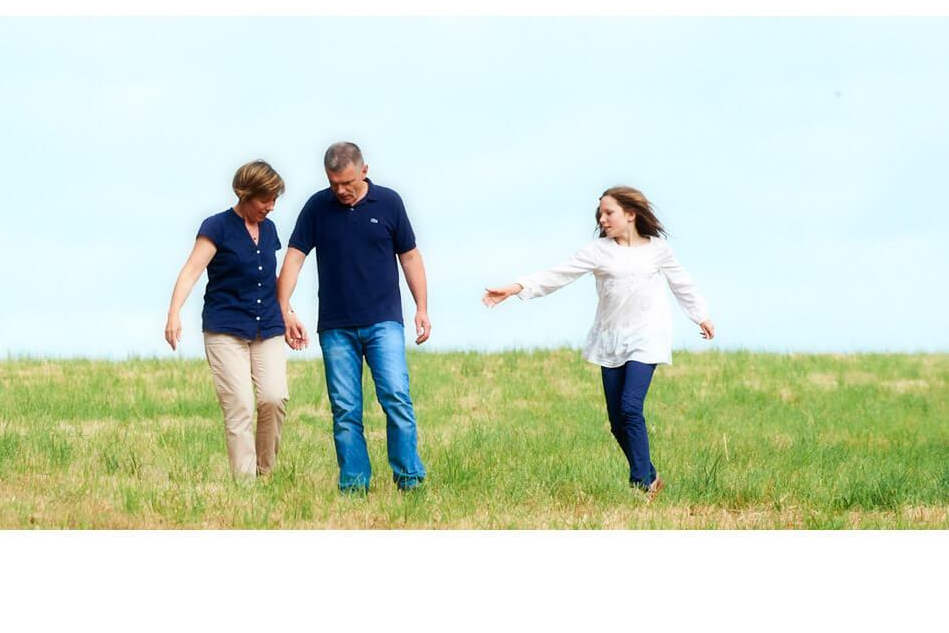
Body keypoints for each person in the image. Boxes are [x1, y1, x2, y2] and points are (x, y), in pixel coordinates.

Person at [482, 185, 715, 502]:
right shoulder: (597, 251)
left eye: (609, 213)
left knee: (631, 408)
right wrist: (515, 287)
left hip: (647, 337)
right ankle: (651, 476)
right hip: (610, 340)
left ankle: (640, 483)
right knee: (618, 423)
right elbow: (557, 275)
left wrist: (701, 315)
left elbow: (682, 283)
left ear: (630, 214)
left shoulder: (657, 249)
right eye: (600, 214)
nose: (602, 219)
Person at [277, 142, 429, 493]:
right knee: (345, 409)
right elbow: (295, 259)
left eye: (346, 182)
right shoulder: (317, 207)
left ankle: (409, 479)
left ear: (364, 170)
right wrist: (284, 309)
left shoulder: (390, 203)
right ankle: (354, 484)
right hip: (335, 327)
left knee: (395, 396)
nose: (341, 190)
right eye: (334, 184)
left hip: (384, 322)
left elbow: (409, 257)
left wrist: (421, 308)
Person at [165, 160, 290, 480]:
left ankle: (266, 473)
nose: (270, 207)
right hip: (226, 328)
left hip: (268, 326)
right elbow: (191, 270)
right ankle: (245, 485)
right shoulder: (216, 227)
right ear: (244, 193)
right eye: (265, 199)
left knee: (274, 398)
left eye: (274, 199)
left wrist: (288, 312)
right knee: (241, 407)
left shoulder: (270, 230)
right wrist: (174, 312)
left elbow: (268, 277)